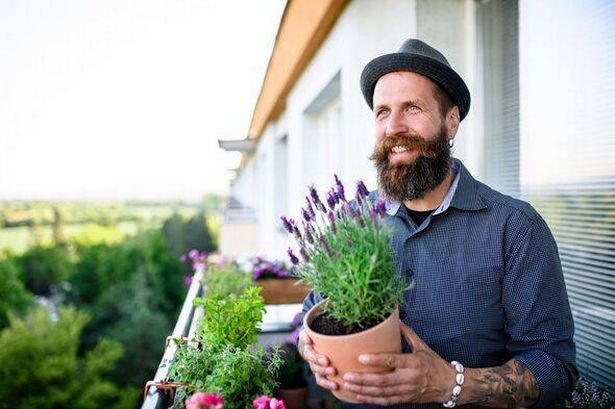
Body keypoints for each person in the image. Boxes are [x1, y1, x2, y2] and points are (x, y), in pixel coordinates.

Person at [298, 39, 577, 409]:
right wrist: (312, 349)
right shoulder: (349, 222)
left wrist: (452, 383)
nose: (393, 127)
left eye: (411, 108)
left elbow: (555, 369)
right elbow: (311, 316)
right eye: (382, 112)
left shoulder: (516, 229)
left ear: (451, 121)